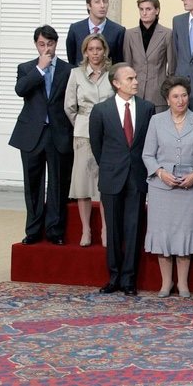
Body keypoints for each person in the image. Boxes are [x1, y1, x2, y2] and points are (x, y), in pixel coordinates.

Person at [142, 76, 193, 298]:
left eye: (184, 95)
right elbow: (147, 155)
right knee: (163, 236)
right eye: (175, 96)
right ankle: (166, 283)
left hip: (191, 189)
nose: (181, 100)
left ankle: (183, 284)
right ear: (167, 99)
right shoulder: (156, 121)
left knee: (184, 236)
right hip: (161, 189)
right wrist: (161, 173)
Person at [89, 62, 155, 296]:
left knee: (134, 228)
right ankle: (114, 277)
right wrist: (110, 166)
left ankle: (129, 280)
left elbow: (149, 143)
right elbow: (97, 145)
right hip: (111, 177)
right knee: (114, 230)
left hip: (137, 177)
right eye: (130, 79)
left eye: (135, 77)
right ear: (116, 83)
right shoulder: (101, 110)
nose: (135, 81)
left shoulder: (147, 108)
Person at [10, 25, 73, 245]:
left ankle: (55, 231)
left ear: (56, 44)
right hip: (31, 134)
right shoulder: (26, 68)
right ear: (36, 44)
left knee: (57, 184)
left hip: (58, 133)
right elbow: (20, 90)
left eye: (50, 43)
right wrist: (40, 69)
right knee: (33, 184)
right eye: (42, 44)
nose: (46, 48)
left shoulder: (68, 70)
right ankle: (33, 230)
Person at [64, 34, 115, 247]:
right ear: (85, 52)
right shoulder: (76, 74)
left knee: (104, 184)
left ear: (104, 51)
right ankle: (86, 230)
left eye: (98, 48)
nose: (95, 53)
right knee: (82, 184)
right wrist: (83, 122)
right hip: (83, 133)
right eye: (91, 49)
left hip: (108, 133)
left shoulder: (113, 74)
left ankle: (105, 229)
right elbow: (69, 106)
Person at [122, 0, 176, 113]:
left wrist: (168, 91)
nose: (144, 13)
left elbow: (172, 67)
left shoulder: (167, 34)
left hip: (158, 94)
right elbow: (127, 65)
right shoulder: (129, 34)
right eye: (141, 9)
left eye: (148, 9)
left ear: (157, 10)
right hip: (135, 92)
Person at [66, 0, 125, 66]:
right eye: (97, 2)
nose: (102, 5)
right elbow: (72, 58)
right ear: (88, 6)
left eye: (105, 1)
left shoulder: (118, 31)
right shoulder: (75, 29)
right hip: (81, 75)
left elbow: (119, 61)